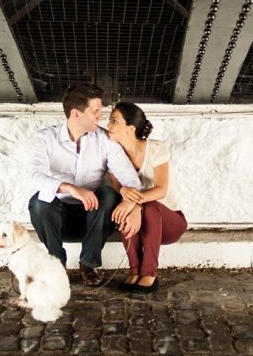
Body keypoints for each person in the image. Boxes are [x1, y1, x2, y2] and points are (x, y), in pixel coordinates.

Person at [29, 83, 143, 287]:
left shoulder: (104, 140)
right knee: (39, 201)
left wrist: (136, 206)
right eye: (96, 111)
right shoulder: (45, 138)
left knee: (108, 194)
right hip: (58, 220)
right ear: (76, 114)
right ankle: (56, 266)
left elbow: (130, 179)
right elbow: (35, 176)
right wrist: (71, 188)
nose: (100, 117)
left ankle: (88, 265)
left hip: (94, 219)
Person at [106, 102, 187, 293]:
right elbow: (120, 190)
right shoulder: (114, 155)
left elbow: (161, 190)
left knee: (149, 207)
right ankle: (135, 271)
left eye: (114, 121)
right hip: (141, 227)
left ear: (130, 128)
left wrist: (136, 205)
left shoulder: (156, 148)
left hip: (170, 223)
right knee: (123, 209)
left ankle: (150, 272)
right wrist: (130, 204)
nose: (108, 126)